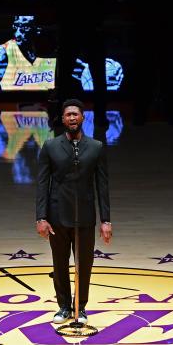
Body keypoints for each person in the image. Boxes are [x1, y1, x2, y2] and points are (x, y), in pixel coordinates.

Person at [35, 99, 111, 325]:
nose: (72, 118)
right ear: (63, 118)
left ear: (82, 117)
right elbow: (42, 184)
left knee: (84, 265)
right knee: (59, 264)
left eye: (75, 114)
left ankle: (81, 306)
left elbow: (102, 186)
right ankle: (64, 306)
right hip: (57, 216)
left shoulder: (96, 147)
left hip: (85, 217)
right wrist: (41, 217)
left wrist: (106, 220)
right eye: (68, 114)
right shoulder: (50, 146)